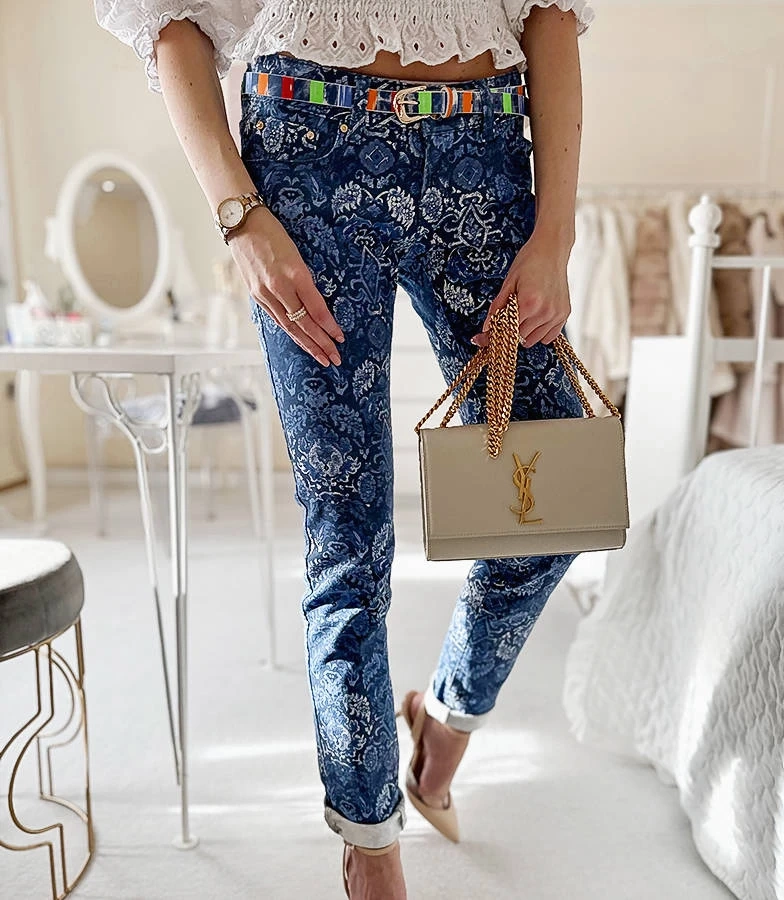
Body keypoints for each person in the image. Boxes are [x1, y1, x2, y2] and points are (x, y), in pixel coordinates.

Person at [95, 1, 595, 896]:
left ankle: (447, 714)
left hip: (483, 154)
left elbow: (550, 14)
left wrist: (556, 227)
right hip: (305, 159)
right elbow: (172, 21)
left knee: (554, 497)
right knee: (348, 537)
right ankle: (370, 845)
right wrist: (239, 216)